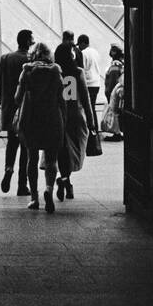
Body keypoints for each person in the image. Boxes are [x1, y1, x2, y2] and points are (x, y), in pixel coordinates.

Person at [12, 42, 66, 213]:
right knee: (51, 159)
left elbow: (17, 98)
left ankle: (34, 198)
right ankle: (48, 189)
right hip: (52, 118)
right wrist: (64, 119)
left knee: (32, 158)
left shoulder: (27, 71)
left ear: (33, 55)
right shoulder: (56, 72)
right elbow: (61, 100)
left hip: (31, 119)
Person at [54, 44, 95, 200]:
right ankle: (66, 180)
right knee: (74, 151)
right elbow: (85, 99)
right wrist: (91, 121)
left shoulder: (55, 71)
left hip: (58, 115)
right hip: (75, 116)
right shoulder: (78, 72)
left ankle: (65, 179)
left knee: (61, 150)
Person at [0, 29, 33, 195]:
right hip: (27, 109)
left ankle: (8, 169)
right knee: (26, 147)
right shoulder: (30, 61)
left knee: (12, 142)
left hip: (10, 108)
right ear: (26, 42)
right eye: (31, 40)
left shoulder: (6, 58)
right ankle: (22, 185)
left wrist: (4, 103)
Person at [79, 34, 103, 126]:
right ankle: (95, 130)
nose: (79, 47)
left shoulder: (84, 53)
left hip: (88, 83)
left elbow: (82, 69)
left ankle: (92, 129)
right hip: (96, 83)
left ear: (83, 43)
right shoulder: (95, 52)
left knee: (88, 108)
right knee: (92, 107)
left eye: (80, 45)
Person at [102, 45, 125, 140]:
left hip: (114, 93)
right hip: (119, 92)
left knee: (114, 113)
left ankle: (117, 133)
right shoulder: (120, 64)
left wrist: (108, 93)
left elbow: (112, 82)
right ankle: (118, 132)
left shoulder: (114, 66)